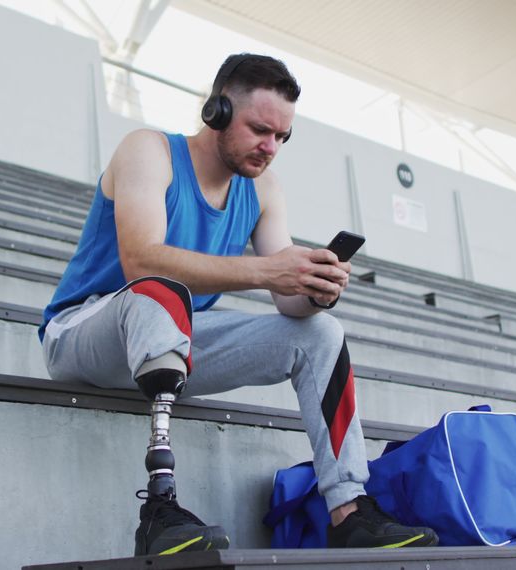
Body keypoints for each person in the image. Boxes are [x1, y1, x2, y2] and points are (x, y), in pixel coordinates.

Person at [39, 53, 438, 556]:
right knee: (158, 290)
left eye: (282, 137)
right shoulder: (149, 150)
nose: (271, 147)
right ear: (218, 112)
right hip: (83, 335)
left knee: (320, 334)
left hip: (170, 341)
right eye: (259, 129)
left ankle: (348, 509)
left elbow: (286, 302)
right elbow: (142, 259)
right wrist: (270, 270)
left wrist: (315, 290)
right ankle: (159, 507)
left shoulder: (263, 188)